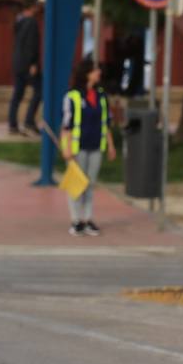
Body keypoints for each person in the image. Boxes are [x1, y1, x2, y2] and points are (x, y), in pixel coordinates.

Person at [61, 55, 116, 237]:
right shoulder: (73, 97)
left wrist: (110, 145)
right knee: (78, 183)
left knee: (90, 184)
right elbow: (67, 125)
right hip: (79, 147)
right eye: (95, 70)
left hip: (95, 146)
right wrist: (66, 148)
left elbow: (106, 122)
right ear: (86, 74)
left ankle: (88, 219)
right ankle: (76, 220)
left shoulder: (101, 96)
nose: (99, 73)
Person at [8, 0, 42, 136]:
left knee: (17, 94)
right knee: (40, 90)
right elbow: (31, 45)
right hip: (28, 64)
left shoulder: (18, 22)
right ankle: (29, 121)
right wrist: (33, 63)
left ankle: (12, 124)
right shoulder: (31, 22)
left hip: (17, 63)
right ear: (32, 8)